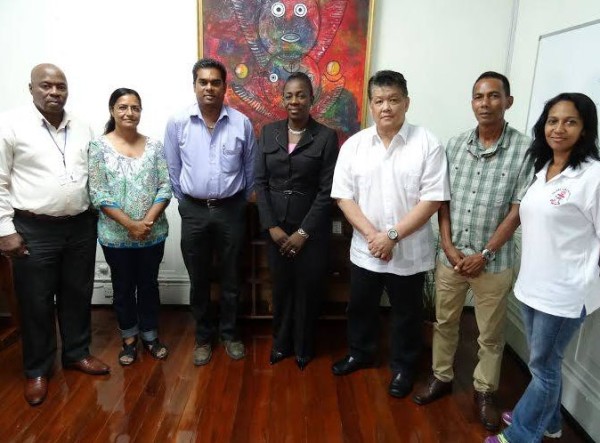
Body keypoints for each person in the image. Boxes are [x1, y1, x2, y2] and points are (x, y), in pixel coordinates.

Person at [412, 72, 534, 431]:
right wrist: (446, 245)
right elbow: (442, 200)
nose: (486, 103)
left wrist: (485, 252)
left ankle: (484, 391)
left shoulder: (525, 149)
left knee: (490, 334)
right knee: (445, 322)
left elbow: (518, 209)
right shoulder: (455, 145)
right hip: (451, 257)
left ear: (508, 101)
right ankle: (442, 376)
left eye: (494, 96)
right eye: (479, 97)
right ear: (472, 103)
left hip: (493, 263)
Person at [486, 93, 600, 443]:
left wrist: (586, 277)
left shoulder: (593, 176)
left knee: (543, 368)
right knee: (546, 364)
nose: (559, 128)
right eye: (553, 120)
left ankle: (521, 433)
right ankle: (549, 422)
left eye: (570, 121)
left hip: (565, 292)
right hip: (533, 284)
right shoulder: (544, 168)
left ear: (585, 129)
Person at [330, 70, 450, 398]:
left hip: (409, 252)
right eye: (379, 100)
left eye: (393, 100)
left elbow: (433, 199)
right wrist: (374, 236)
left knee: (406, 313)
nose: (386, 107)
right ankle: (360, 352)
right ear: (371, 105)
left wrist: (392, 235)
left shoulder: (427, 144)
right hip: (366, 248)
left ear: (406, 102)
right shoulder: (354, 146)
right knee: (360, 306)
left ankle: (403, 367)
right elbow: (343, 196)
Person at [0, 64, 110, 406]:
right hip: (33, 228)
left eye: (60, 86)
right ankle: (37, 368)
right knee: (35, 301)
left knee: (78, 294)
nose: (54, 92)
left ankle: (77, 353)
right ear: (30, 88)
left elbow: (93, 173)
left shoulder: (83, 126)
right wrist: (5, 230)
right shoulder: (11, 124)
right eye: (45, 86)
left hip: (79, 225)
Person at [164, 58, 256, 365]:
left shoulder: (241, 123)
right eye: (203, 82)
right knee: (199, 279)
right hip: (194, 211)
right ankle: (203, 337)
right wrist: (187, 202)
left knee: (232, 276)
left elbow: (250, 170)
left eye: (215, 82)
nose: (209, 88)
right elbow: (173, 169)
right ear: (194, 86)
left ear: (224, 87)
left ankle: (229, 334)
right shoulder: (178, 123)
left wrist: (238, 202)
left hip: (231, 211)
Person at [254, 72, 339, 370]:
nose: (294, 101)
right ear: (282, 98)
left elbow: (327, 191)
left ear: (311, 99)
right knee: (281, 287)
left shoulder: (326, 137)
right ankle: (281, 343)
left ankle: (304, 345)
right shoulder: (268, 133)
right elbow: (260, 183)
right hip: (276, 227)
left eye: (301, 95)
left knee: (307, 288)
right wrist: (272, 227)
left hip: (310, 231)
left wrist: (303, 232)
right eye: (289, 95)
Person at [88, 88, 172, 366]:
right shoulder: (98, 147)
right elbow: (98, 193)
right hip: (115, 236)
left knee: (148, 285)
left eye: (135, 107)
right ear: (112, 110)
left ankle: (150, 334)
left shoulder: (155, 146)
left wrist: (145, 223)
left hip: (152, 234)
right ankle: (129, 338)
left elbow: (165, 185)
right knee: (123, 287)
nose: (129, 113)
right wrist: (130, 225)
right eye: (123, 107)